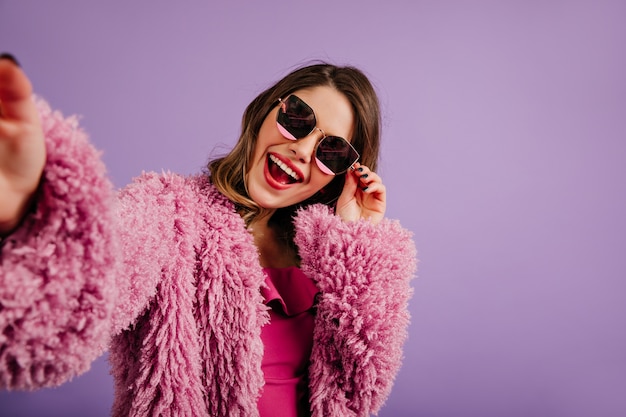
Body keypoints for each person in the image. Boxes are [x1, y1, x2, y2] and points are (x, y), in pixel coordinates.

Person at [0, 54, 417, 417]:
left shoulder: (326, 259)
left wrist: (355, 240)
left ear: (338, 176)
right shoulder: (169, 211)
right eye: (298, 119)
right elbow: (94, 283)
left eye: (332, 152)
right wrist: (27, 208)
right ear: (265, 114)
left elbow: (359, 390)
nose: (304, 150)